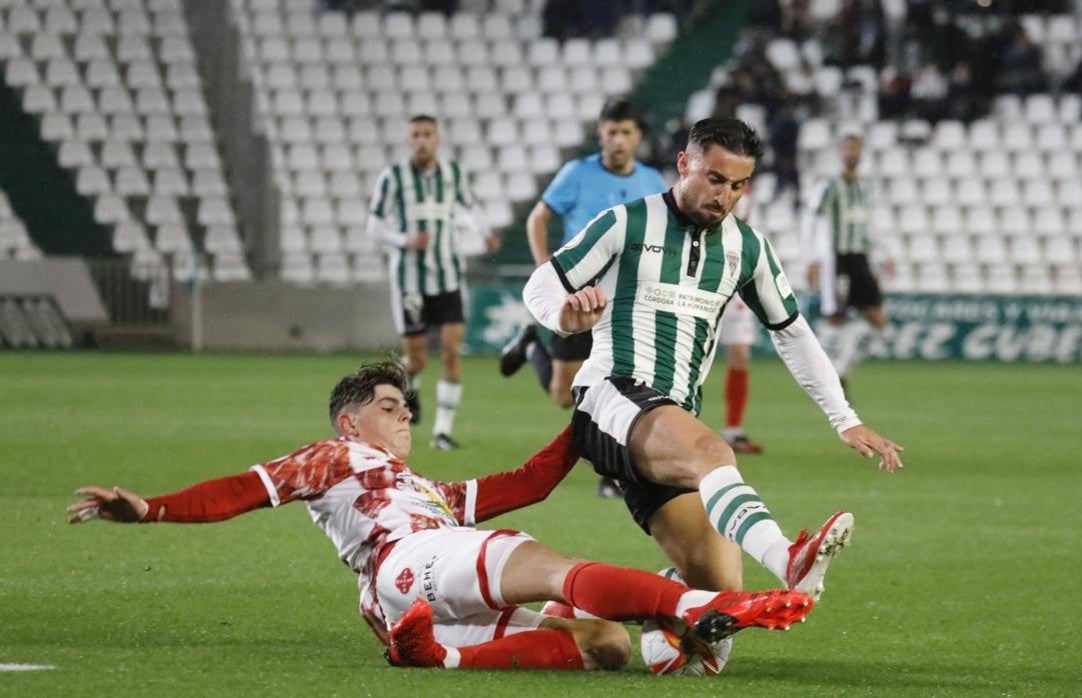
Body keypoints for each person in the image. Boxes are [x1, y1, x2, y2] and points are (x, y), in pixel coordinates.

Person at [66, 360, 814, 672]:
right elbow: (240, 490)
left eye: (405, 410)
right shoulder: (332, 458)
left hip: (407, 597)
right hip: (406, 560)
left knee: (606, 644)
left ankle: (439, 657)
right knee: (547, 567)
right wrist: (152, 510)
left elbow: (530, 479)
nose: (402, 419)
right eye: (388, 408)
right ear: (349, 421)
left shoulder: (426, 489)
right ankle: (712, 605)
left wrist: (598, 407)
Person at [522, 117, 904, 601]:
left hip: (673, 421)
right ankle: (790, 559)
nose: (725, 195)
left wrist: (844, 419)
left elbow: (794, 335)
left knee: (719, 591)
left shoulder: (748, 247)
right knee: (714, 453)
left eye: (739, 185)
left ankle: (634, 615)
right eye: (715, 179)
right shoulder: (627, 223)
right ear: (684, 165)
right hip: (610, 398)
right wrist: (562, 316)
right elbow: (541, 283)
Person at [500, 98, 667, 497]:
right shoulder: (577, 173)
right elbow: (537, 218)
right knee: (564, 394)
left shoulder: (652, 182)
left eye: (626, 132)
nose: (618, 140)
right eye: (611, 132)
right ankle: (529, 349)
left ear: (637, 137)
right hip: (579, 297)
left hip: (626, 299)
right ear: (600, 134)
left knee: (619, 382)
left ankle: (613, 474)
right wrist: (548, 272)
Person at [368, 115, 500, 450]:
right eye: (416, 134)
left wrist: (482, 233)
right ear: (407, 140)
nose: (422, 140)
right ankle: (407, 389)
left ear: (437, 139)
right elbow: (375, 226)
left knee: (452, 350)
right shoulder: (393, 178)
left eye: (428, 134)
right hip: (410, 281)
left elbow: (468, 209)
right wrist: (404, 240)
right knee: (416, 359)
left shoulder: (453, 174)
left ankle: (442, 432)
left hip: (448, 276)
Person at [803, 133, 893, 388]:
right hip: (835, 258)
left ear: (860, 153)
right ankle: (820, 377)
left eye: (856, 149)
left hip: (860, 257)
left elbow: (869, 224)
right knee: (836, 317)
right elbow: (812, 220)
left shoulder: (866, 186)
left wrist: (884, 254)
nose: (852, 154)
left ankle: (839, 370)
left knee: (877, 319)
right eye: (847, 149)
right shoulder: (828, 186)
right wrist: (812, 260)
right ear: (840, 153)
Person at [718, 184, 764, 453]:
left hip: (735, 278)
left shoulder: (747, 189)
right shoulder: (710, 180)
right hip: (704, 275)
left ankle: (733, 432)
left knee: (740, 355)